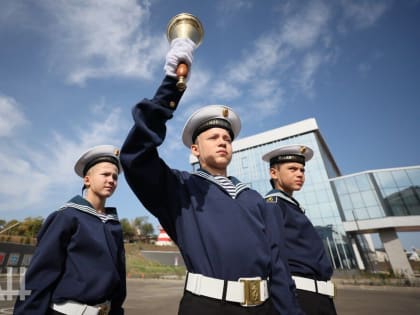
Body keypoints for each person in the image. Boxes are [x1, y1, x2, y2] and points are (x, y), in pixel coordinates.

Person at [120, 38, 302, 315]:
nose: (222, 141)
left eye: (227, 138)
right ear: (195, 149)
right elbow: (136, 156)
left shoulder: (256, 200)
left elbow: (278, 267)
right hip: (208, 307)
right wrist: (171, 85)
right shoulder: (179, 188)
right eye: (213, 137)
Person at [13, 145, 126, 315]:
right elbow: (40, 274)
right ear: (87, 180)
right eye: (105, 174)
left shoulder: (113, 225)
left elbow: (119, 279)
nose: (111, 180)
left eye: (115, 177)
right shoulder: (67, 217)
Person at [262, 145, 337, 315]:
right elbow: (275, 258)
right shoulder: (273, 205)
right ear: (274, 173)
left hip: (318, 298)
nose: (300, 174)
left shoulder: (291, 206)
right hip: (300, 297)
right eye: (292, 169)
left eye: (302, 170)